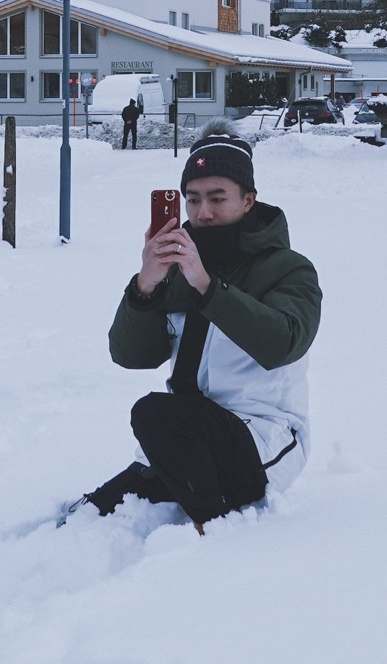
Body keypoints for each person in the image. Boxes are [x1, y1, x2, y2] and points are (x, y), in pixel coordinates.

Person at [65, 122, 321, 532]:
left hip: (262, 441)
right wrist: (146, 284)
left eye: (218, 198)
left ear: (249, 200)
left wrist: (207, 286)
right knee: (88, 517)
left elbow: (283, 344)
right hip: (185, 440)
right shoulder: (178, 267)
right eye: (193, 199)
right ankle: (190, 496)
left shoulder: (288, 268)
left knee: (153, 413)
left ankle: (214, 526)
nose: (203, 213)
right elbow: (131, 356)